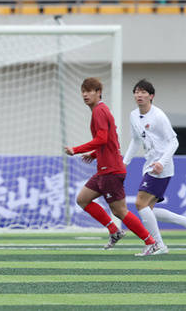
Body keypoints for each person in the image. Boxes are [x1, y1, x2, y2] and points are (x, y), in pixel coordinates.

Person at [65, 78, 159, 255]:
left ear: (98, 92)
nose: (85, 94)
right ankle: (114, 231)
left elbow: (102, 138)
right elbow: (110, 140)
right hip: (104, 169)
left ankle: (151, 242)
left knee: (120, 211)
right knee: (83, 199)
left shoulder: (99, 111)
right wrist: (94, 154)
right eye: (83, 91)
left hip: (111, 170)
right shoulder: (101, 110)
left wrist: (76, 149)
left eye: (89, 91)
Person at [123, 80, 186, 254]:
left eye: (143, 92)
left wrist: (161, 163)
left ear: (151, 96)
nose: (139, 95)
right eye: (137, 92)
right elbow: (136, 140)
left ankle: (158, 245)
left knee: (140, 204)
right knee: (147, 210)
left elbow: (174, 142)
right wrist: (124, 163)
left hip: (161, 167)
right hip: (149, 164)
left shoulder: (158, 116)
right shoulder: (133, 115)